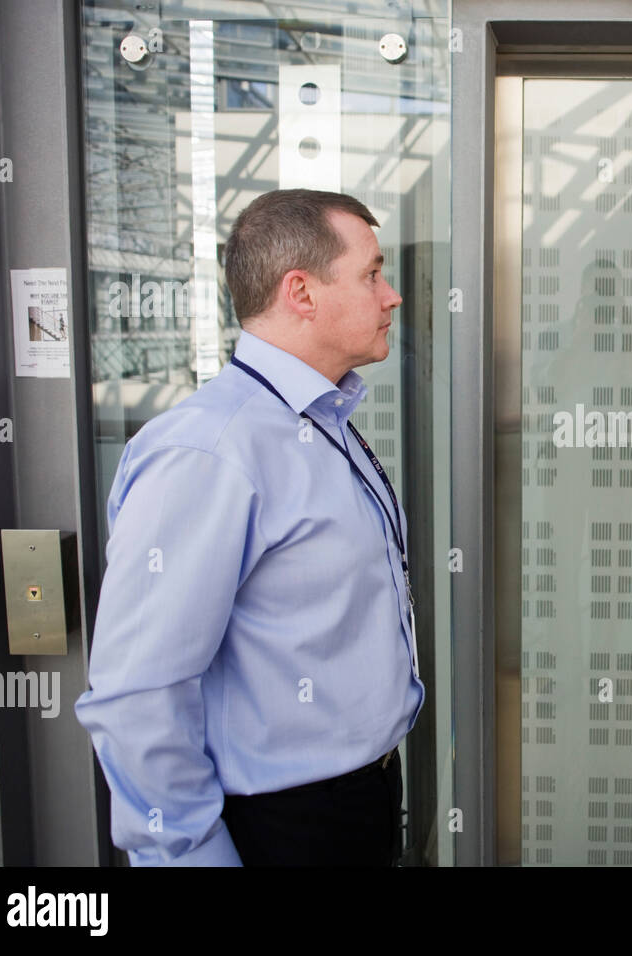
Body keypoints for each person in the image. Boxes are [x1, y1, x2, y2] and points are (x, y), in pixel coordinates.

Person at [75, 189, 422, 866]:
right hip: (282, 825)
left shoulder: (320, 425)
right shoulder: (210, 451)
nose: (392, 297)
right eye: (372, 274)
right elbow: (137, 690)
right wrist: (193, 854)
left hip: (360, 798)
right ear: (301, 292)